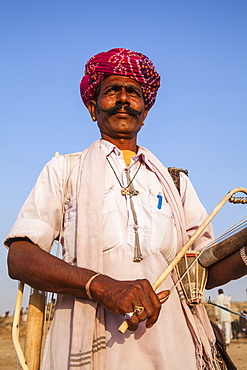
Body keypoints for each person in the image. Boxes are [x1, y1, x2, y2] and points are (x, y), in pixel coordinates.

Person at [5, 48, 247, 370]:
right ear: (93, 107)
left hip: (173, 350)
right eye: (111, 91)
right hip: (85, 350)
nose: (123, 98)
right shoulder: (64, 170)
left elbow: (200, 273)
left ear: (144, 113)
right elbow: (20, 257)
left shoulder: (175, 184)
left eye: (133, 92)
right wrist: (102, 286)